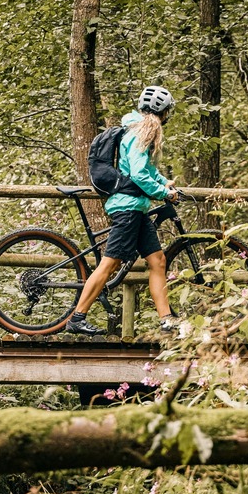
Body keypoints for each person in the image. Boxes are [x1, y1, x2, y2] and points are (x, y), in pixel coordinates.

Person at [65, 85, 181, 336]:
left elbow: (143, 168)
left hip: (136, 208)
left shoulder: (137, 129)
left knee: (157, 261)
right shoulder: (143, 131)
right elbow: (138, 173)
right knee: (110, 264)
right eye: (168, 111)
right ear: (163, 112)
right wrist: (163, 193)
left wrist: (163, 182)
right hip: (128, 208)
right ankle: (77, 317)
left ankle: (166, 320)